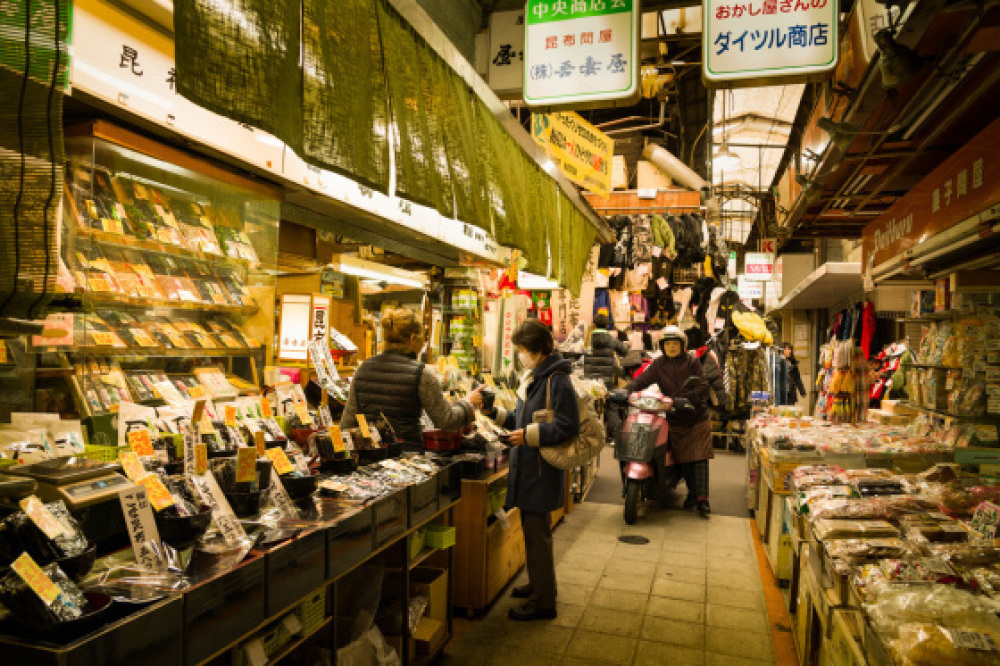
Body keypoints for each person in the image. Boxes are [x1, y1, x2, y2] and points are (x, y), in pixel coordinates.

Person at [481, 319, 579, 621]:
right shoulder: (535, 376)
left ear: (538, 350)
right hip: (528, 469)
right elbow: (520, 419)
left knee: (538, 537)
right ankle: (539, 586)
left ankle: (543, 602)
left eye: (522, 350)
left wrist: (529, 435)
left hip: (541, 470)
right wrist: (493, 413)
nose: (519, 355)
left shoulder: (557, 380)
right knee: (533, 533)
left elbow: (567, 426)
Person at [341, 309, 483, 448]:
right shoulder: (421, 373)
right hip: (407, 458)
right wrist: (468, 403)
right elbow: (446, 421)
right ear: (413, 338)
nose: (424, 342)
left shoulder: (363, 368)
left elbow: (347, 423)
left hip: (371, 456)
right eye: (423, 336)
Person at [628, 325, 714, 517]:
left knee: (699, 459)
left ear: (682, 345)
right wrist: (628, 389)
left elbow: (703, 384)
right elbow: (642, 380)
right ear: (663, 346)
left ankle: (703, 500)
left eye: (675, 344)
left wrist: (689, 398)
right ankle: (692, 494)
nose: (672, 347)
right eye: (668, 344)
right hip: (675, 417)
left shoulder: (692, 361)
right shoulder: (658, 364)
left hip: (695, 416)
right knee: (683, 458)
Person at [583, 313, 629, 388]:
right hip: (606, 381)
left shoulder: (586, 341)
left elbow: (576, 355)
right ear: (607, 326)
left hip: (589, 381)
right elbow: (625, 352)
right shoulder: (612, 340)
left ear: (594, 325)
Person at [780, 342, 807, 406]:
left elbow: (797, 379)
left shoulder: (793, 363)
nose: (789, 351)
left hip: (791, 393)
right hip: (781, 394)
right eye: (787, 349)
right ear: (782, 350)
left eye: (790, 349)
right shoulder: (778, 362)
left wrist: (802, 391)